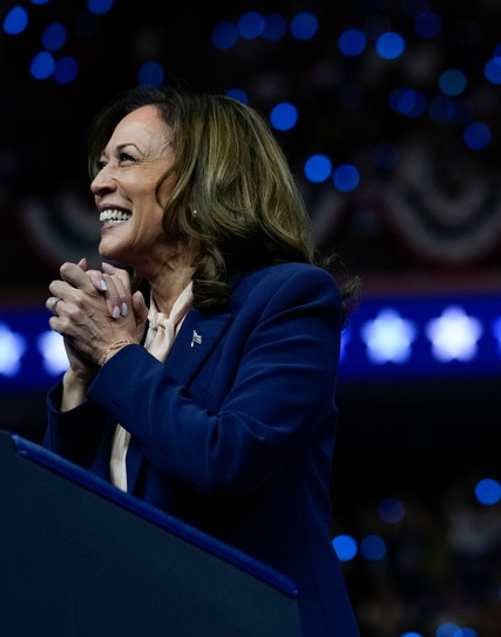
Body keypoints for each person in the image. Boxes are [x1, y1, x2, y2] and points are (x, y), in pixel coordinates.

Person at [43, 84, 361, 636]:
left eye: (126, 160)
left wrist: (115, 355)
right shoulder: (131, 337)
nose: (98, 183)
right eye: (100, 164)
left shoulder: (288, 299)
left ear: (199, 186)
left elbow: (226, 460)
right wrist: (82, 380)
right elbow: (62, 522)